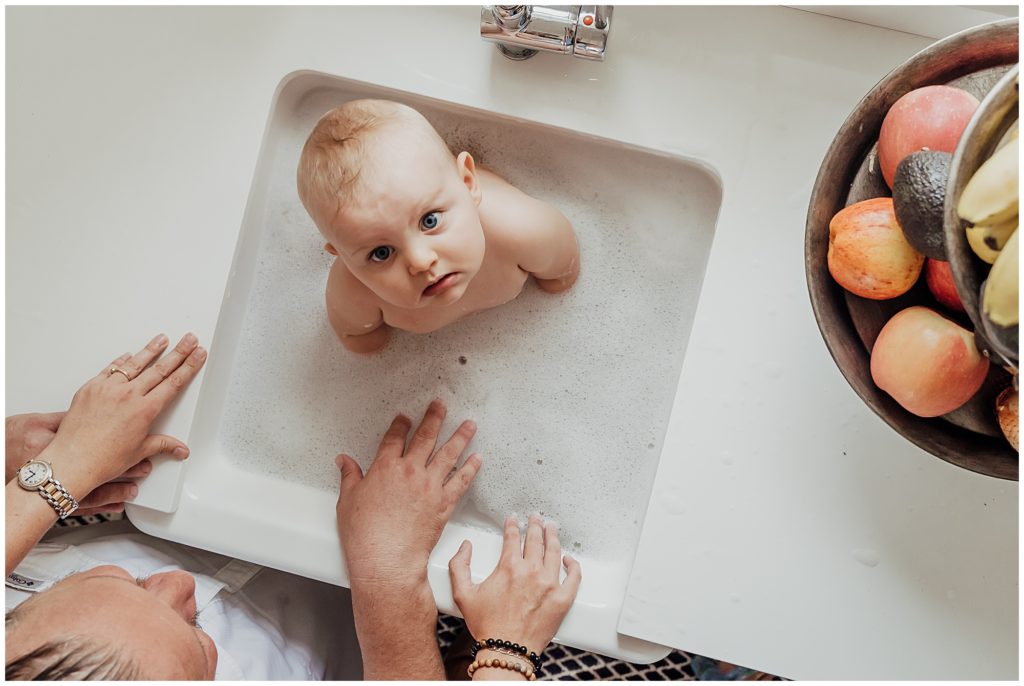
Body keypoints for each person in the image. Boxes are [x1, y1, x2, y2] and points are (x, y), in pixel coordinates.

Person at [7, 335, 581, 680]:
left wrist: (45, 468)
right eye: (192, 629)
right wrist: (393, 583)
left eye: (129, 584)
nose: (178, 584)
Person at [295, 99, 581, 354]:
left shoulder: (523, 230)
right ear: (342, 256)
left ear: (467, 183)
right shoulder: (354, 293)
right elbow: (355, 333)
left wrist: (557, 283)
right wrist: (368, 345)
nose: (420, 261)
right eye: (381, 252)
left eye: (429, 221)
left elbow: (563, 264)